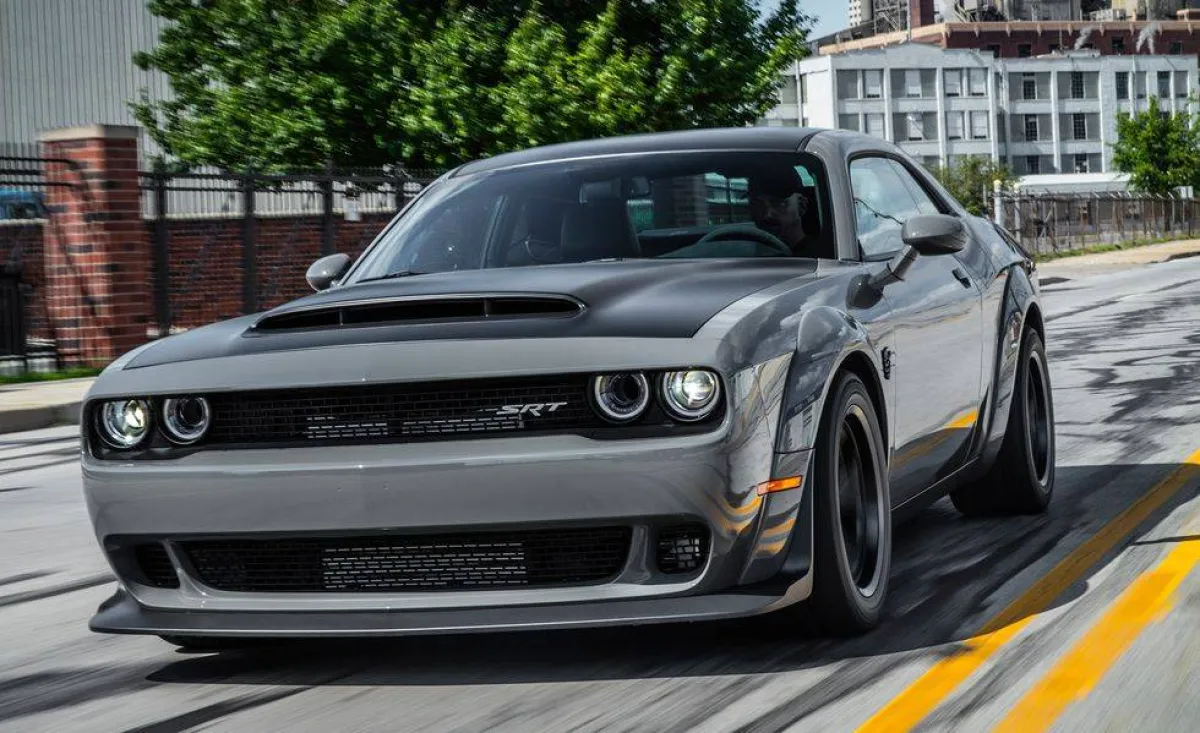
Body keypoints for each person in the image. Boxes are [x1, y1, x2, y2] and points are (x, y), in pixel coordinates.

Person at [748, 168, 810, 254]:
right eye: (758, 205)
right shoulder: (749, 253)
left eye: (779, 204)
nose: (767, 214)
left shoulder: (818, 258)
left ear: (802, 206)